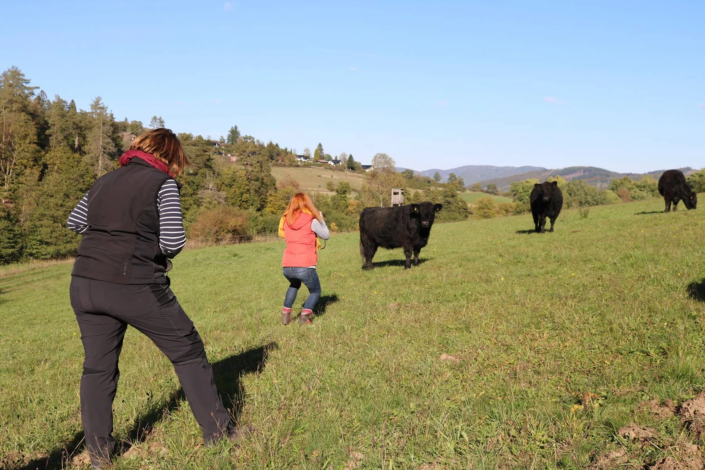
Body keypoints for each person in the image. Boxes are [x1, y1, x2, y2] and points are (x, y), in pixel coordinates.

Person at [67, 129, 243, 468]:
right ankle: (220, 433)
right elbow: (174, 240)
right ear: (170, 155)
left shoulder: (105, 180)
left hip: (84, 283)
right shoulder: (161, 183)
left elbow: (74, 222)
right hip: (133, 283)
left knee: (97, 368)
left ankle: (100, 455)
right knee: (188, 351)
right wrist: (147, 246)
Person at [278, 193, 330, 325]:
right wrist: (321, 219)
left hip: (287, 265)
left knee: (294, 284)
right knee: (315, 291)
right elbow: (326, 235)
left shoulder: (286, 221)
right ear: (307, 204)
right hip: (305, 264)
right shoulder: (311, 220)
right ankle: (304, 317)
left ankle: (285, 315)